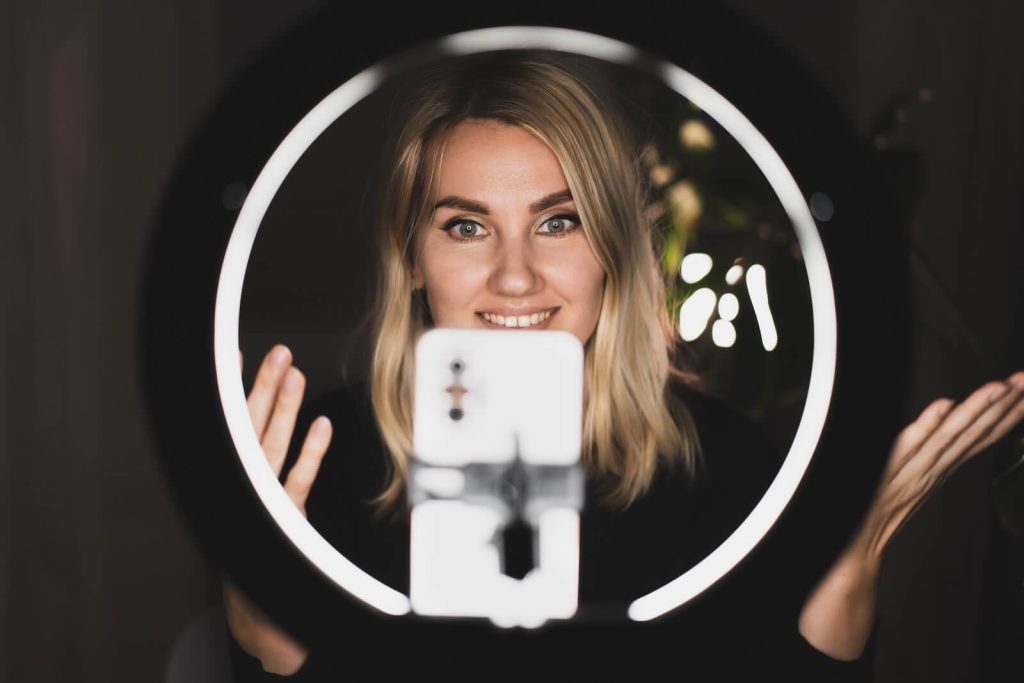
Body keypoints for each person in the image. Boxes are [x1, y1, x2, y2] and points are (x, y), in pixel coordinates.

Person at [223, 51, 1024, 681]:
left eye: (559, 221)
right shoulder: (311, 471)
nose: (514, 277)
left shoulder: (731, 470)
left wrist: (841, 584)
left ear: (614, 247)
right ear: (411, 258)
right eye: (467, 226)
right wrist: (276, 650)